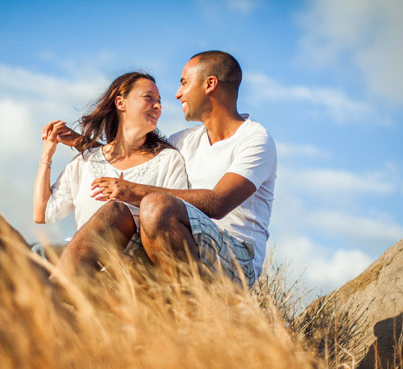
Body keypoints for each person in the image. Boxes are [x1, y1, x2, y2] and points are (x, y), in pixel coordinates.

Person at [44, 51, 276, 288]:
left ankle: (187, 309)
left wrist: (132, 190)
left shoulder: (255, 140)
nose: (177, 94)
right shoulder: (184, 141)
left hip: (235, 258)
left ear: (210, 84)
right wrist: (81, 143)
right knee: (115, 210)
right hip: (183, 238)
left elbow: (218, 203)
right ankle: (52, 295)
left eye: (184, 82)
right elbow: (134, 156)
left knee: (155, 205)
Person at [33, 72, 188, 279]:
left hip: (132, 264)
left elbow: (176, 217)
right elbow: (42, 213)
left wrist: (131, 193)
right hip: (77, 257)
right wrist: (47, 153)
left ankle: (54, 296)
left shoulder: (168, 160)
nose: (158, 106)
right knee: (28, 253)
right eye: (148, 97)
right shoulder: (87, 160)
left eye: (159, 101)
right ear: (120, 103)